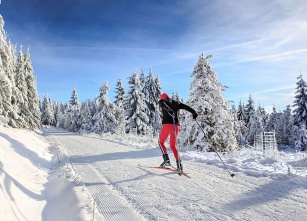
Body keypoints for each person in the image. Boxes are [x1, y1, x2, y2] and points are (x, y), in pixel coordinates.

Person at [158, 93, 198, 173]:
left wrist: (169, 110)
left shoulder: (161, 102)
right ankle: (179, 164)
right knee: (173, 146)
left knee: (161, 142)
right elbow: (187, 107)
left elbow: (164, 106)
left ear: (162, 98)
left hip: (167, 126)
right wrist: (194, 112)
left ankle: (166, 160)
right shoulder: (177, 102)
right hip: (176, 127)